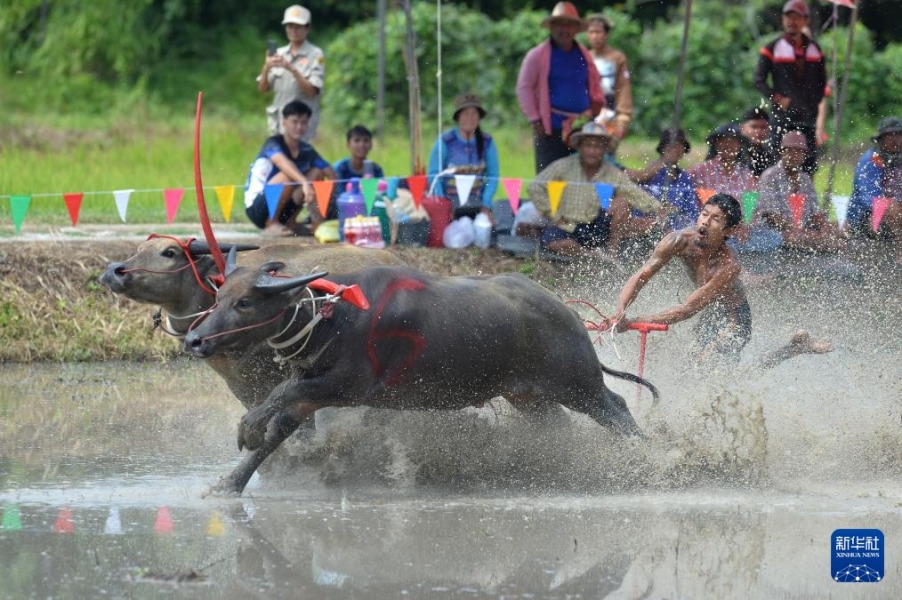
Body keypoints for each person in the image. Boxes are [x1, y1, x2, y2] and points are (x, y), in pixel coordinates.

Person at [607, 194, 832, 365]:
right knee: (690, 369)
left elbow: (688, 308)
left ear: (730, 231)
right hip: (711, 314)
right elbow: (640, 276)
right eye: (704, 214)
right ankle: (791, 349)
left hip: (735, 318)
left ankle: (790, 350)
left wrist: (634, 321)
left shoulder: (729, 266)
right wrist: (620, 310)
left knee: (715, 373)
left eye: (716, 219)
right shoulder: (677, 241)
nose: (705, 222)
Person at [529, 121, 662, 261]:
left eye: (598, 146)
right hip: (568, 224)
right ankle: (594, 257)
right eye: (588, 145)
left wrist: (658, 208)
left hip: (597, 225)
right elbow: (535, 187)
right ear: (580, 146)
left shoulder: (612, 172)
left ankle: (612, 253)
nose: (592, 151)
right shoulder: (564, 166)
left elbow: (634, 193)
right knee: (554, 242)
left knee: (623, 202)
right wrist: (551, 212)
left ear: (605, 149)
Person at [516, 2, 605, 173]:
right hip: (550, 128)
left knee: (581, 178)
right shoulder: (537, 55)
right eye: (559, 24)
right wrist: (535, 119)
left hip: (581, 126)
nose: (564, 30)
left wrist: (596, 103)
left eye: (569, 24)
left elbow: (594, 81)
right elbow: (524, 88)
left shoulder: (583, 53)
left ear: (575, 28)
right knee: (550, 179)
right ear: (552, 27)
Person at [753, 0, 827, 174]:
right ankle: (773, 198)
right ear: (783, 20)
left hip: (807, 116)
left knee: (808, 163)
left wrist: (812, 102)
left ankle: (806, 198)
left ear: (805, 21)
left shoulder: (815, 49)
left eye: (797, 17)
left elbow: (822, 82)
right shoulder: (772, 48)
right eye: (788, 17)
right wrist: (778, 98)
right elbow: (758, 79)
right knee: (776, 158)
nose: (792, 21)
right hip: (782, 115)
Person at [244, 100, 336, 237]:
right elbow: (283, 163)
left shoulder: (307, 149)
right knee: (287, 176)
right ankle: (272, 223)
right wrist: (305, 183)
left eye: (303, 122)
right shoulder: (273, 143)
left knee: (317, 172)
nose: (299, 127)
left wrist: (325, 202)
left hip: (285, 206)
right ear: (284, 122)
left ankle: (291, 222)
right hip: (257, 208)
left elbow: (331, 174)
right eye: (295, 122)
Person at [753, 130, 846, 252]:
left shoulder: (805, 178)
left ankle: (821, 245)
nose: (794, 155)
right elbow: (773, 217)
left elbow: (815, 211)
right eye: (790, 150)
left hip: (803, 230)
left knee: (841, 230)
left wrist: (825, 227)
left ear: (804, 155)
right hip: (774, 232)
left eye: (799, 151)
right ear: (782, 152)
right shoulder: (770, 176)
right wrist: (804, 232)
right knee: (796, 238)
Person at [427, 93, 499, 220]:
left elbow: (493, 176)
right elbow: (434, 175)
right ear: (458, 116)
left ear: (479, 117)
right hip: (450, 205)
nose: (470, 118)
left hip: (478, 204)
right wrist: (443, 205)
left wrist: (486, 204)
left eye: (474, 114)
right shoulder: (445, 141)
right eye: (466, 113)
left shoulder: (487, 142)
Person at [257, 5, 325, 139]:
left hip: (302, 125)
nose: (294, 31)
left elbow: (312, 91)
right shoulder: (279, 53)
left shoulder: (316, 55)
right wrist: (266, 67)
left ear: (307, 28)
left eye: (298, 27)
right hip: (279, 123)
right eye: (290, 26)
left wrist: (291, 68)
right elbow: (263, 89)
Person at [847, 117, 902, 262]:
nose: (894, 139)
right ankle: (899, 251)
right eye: (890, 135)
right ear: (881, 139)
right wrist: (892, 205)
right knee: (893, 208)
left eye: (898, 135)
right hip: (865, 216)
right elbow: (867, 195)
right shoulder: (872, 159)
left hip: (896, 210)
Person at [625, 127, 698, 231]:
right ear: (663, 148)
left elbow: (692, 212)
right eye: (672, 145)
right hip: (648, 228)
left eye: (680, 145)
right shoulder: (648, 175)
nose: (676, 149)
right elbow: (638, 207)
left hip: (678, 230)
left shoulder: (685, 179)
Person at [584, 13, 633, 142]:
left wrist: (624, 116)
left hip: (610, 114)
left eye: (598, 32)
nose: (594, 36)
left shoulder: (617, 58)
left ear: (606, 34)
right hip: (587, 114)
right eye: (591, 32)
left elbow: (623, 87)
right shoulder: (585, 57)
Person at [689, 124, 756, 200]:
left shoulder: (747, 176)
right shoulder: (699, 172)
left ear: (740, 145)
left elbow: (750, 208)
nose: (728, 145)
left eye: (733, 141)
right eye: (723, 141)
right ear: (716, 144)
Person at [738, 106, 778, 179]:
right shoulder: (732, 153)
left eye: (763, 127)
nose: (759, 131)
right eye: (754, 127)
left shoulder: (771, 155)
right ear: (742, 128)